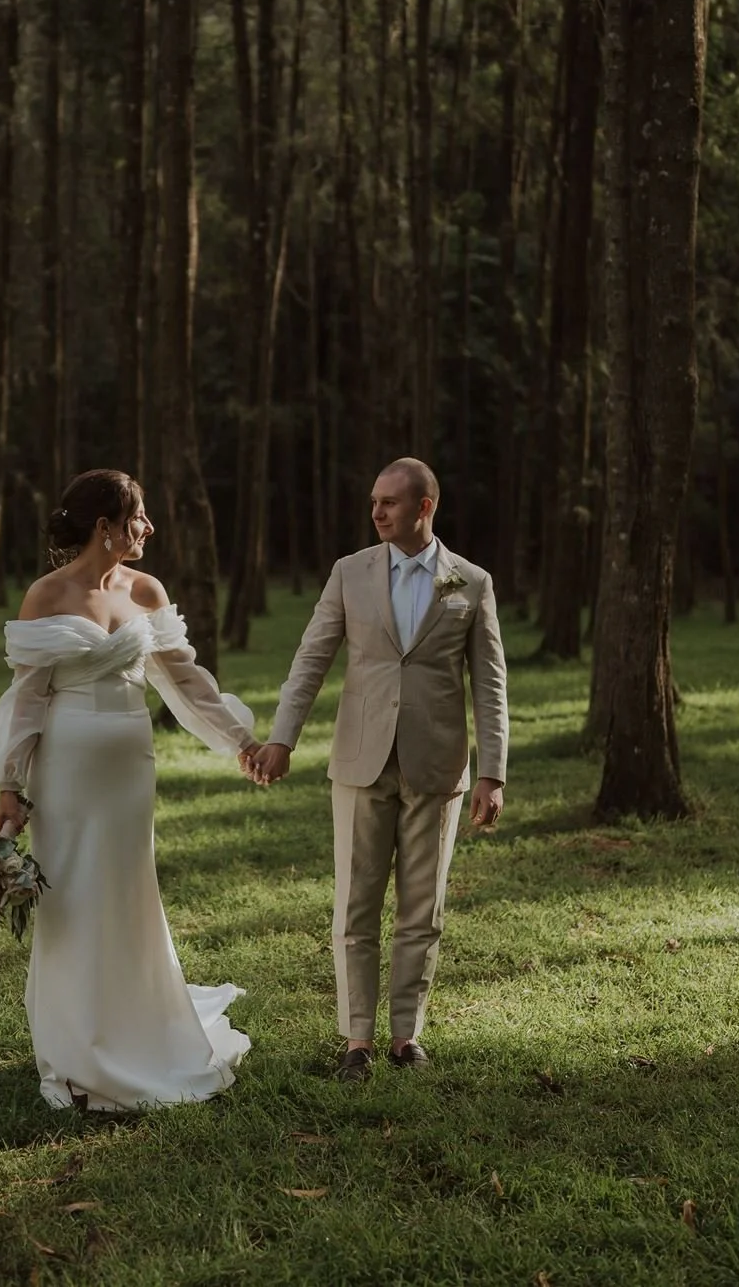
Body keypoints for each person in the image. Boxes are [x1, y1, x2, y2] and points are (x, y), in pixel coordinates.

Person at [0, 469, 263, 1111]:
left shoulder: (146, 589)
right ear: (104, 527)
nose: (149, 528)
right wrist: (11, 785)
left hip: (130, 768)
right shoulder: (45, 596)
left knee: (129, 893)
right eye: (138, 516)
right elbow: (27, 702)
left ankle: (142, 1029)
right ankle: (76, 1052)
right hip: (68, 772)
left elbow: (185, 682)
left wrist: (239, 740)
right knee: (73, 898)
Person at [247, 458, 508, 1081]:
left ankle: (406, 1036)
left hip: (438, 767)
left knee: (423, 908)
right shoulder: (350, 573)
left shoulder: (470, 582)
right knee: (355, 905)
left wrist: (493, 773)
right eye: (373, 501)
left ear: (425, 507)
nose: (376, 512)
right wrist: (282, 739)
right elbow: (311, 659)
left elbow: (489, 685)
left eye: (390, 502)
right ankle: (357, 1041)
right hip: (360, 762)